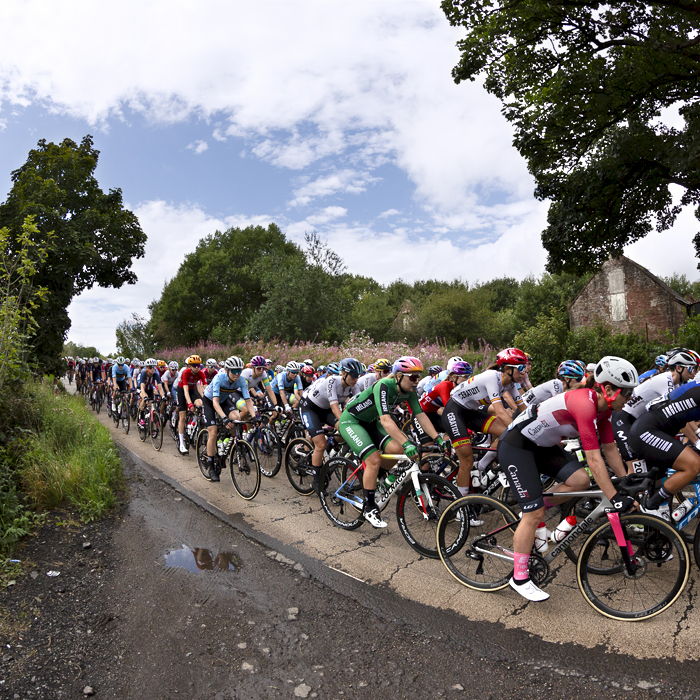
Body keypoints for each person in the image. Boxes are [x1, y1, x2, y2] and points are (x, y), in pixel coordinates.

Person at [499, 356, 638, 602]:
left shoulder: (603, 411)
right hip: (517, 445)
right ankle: (519, 577)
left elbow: (610, 450)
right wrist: (615, 497)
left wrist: (627, 482)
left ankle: (531, 509)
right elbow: (594, 460)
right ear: (607, 389)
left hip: (542, 446)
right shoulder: (584, 404)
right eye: (626, 392)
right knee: (534, 514)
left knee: (580, 480)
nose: (630, 397)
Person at [338, 356, 446, 529]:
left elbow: (420, 415)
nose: (416, 381)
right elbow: (387, 420)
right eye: (412, 377)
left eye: (418, 377)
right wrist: (408, 443)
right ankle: (370, 507)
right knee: (373, 459)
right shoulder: (383, 386)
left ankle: (377, 474)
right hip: (352, 421)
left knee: (397, 449)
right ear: (398, 376)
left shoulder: (409, 392)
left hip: (372, 422)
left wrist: (437, 438)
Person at [442, 348, 527, 498]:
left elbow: (524, 409)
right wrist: (521, 432)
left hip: (471, 412)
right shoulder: (492, 378)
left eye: (525, 368)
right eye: (521, 368)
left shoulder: (510, 384)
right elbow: (500, 412)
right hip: (454, 410)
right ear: (507, 369)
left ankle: (481, 465)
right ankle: (461, 507)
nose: (524, 372)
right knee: (466, 460)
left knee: (505, 434)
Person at [613, 348, 698, 497]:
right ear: (678, 367)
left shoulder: (677, 385)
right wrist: (695, 439)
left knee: (650, 470)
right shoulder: (666, 380)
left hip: (638, 421)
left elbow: (681, 416)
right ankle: (625, 504)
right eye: (692, 368)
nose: (694, 372)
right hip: (624, 419)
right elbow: (674, 414)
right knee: (636, 468)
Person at [300, 358, 362, 490]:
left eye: (359, 376)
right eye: (354, 376)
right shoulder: (332, 381)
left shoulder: (354, 386)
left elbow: (361, 405)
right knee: (320, 444)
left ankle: (331, 447)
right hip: (310, 408)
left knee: (344, 430)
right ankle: (316, 479)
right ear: (344, 374)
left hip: (325, 410)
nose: (356, 379)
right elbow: (335, 408)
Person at [201, 356, 256, 482]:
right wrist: (224, 418)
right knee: (213, 432)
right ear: (227, 370)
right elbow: (215, 402)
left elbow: (248, 400)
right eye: (234, 371)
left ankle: (226, 443)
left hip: (224, 401)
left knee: (236, 418)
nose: (237, 374)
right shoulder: (219, 378)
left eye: (239, 371)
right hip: (210, 401)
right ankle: (210, 466)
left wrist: (254, 417)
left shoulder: (241, 380)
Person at [176, 355, 207, 455]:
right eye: (194, 365)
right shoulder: (186, 372)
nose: (197, 367)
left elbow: (206, 388)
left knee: (200, 404)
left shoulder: (201, 373)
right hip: (182, 390)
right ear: (189, 366)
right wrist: (189, 403)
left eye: (198, 365)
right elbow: (185, 391)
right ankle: (181, 443)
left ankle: (193, 423)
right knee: (183, 417)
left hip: (192, 389)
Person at [521, 360, 586, 407]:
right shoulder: (556, 383)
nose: (580, 382)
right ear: (567, 379)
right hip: (521, 408)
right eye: (578, 379)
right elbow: (559, 405)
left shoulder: (561, 386)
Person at [138, 358, 166, 426]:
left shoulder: (156, 373)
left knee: (151, 403)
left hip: (149, 388)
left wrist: (163, 396)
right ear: (147, 367)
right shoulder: (144, 373)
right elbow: (142, 387)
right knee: (144, 400)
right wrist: (144, 396)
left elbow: (160, 387)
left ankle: (150, 421)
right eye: (150, 367)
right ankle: (141, 418)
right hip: (141, 388)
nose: (153, 369)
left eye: (154, 367)